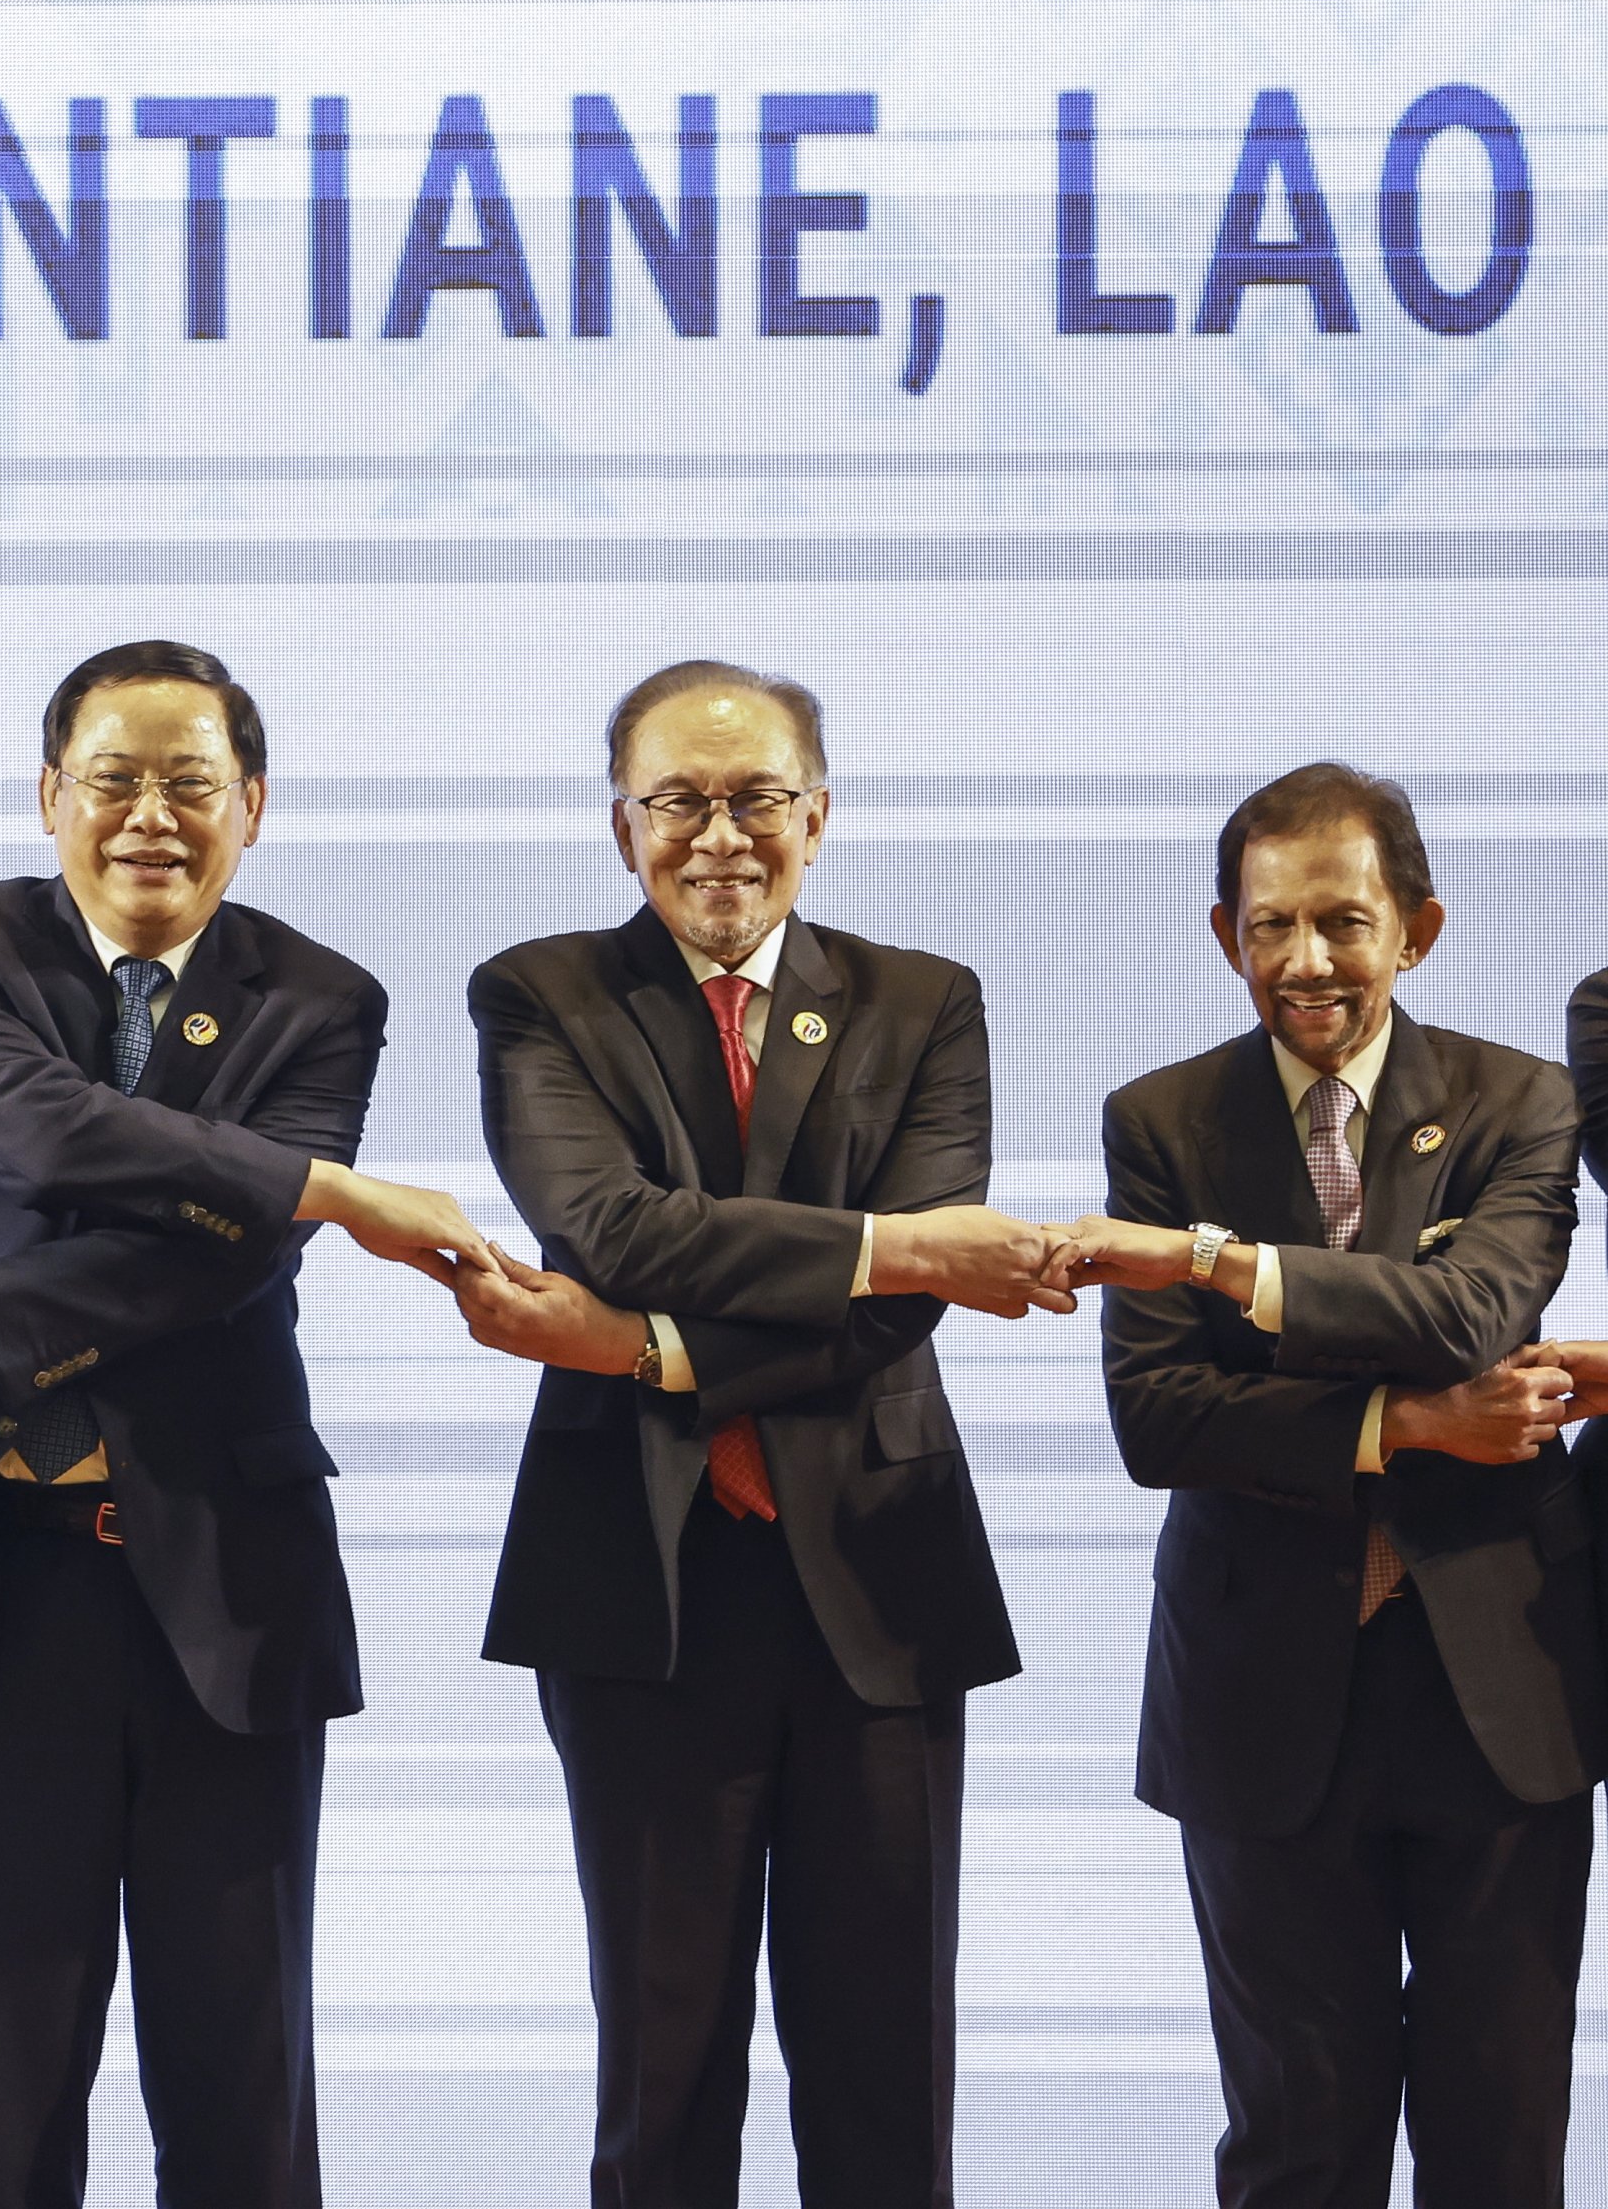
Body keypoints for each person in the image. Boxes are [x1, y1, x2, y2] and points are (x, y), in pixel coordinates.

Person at [0, 637, 496, 2209]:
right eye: (113, 778)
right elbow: (14, 1120)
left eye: (191, 782)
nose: (149, 815)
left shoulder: (320, 995)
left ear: (253, 805)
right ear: (50, 795)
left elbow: (211, 1265)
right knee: (10, 2075)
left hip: (226, 1581)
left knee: (241, 2085)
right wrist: (324, 1186)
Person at [444, 658, 1076, 2209]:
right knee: (662, 2080)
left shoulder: (925, 998)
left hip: (878, 1575)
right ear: (623, 825)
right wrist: (889, 1244)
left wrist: (644, 1346)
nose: (719, 834)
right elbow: (609, 1221)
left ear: (819, 814)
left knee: (884, 2078)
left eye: (757, 799)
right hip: (641, 1587)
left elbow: (900, 1308)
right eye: (679, 800)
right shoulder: (542, 992)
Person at [1064, 762, 1594, 2209]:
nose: (1306, 961)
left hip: (1502, 1690)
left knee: (1501, 2148)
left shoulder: (1517, 1096)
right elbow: (1161, 1416)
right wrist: (1413, 1425)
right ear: (1225, 931)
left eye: (1343, 923)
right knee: (1297, 2145)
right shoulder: (1160, 1120)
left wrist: (1222, 1266)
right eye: (1270, 923)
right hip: (1260, 1693)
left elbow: (1476, 1315)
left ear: (1414, 928)